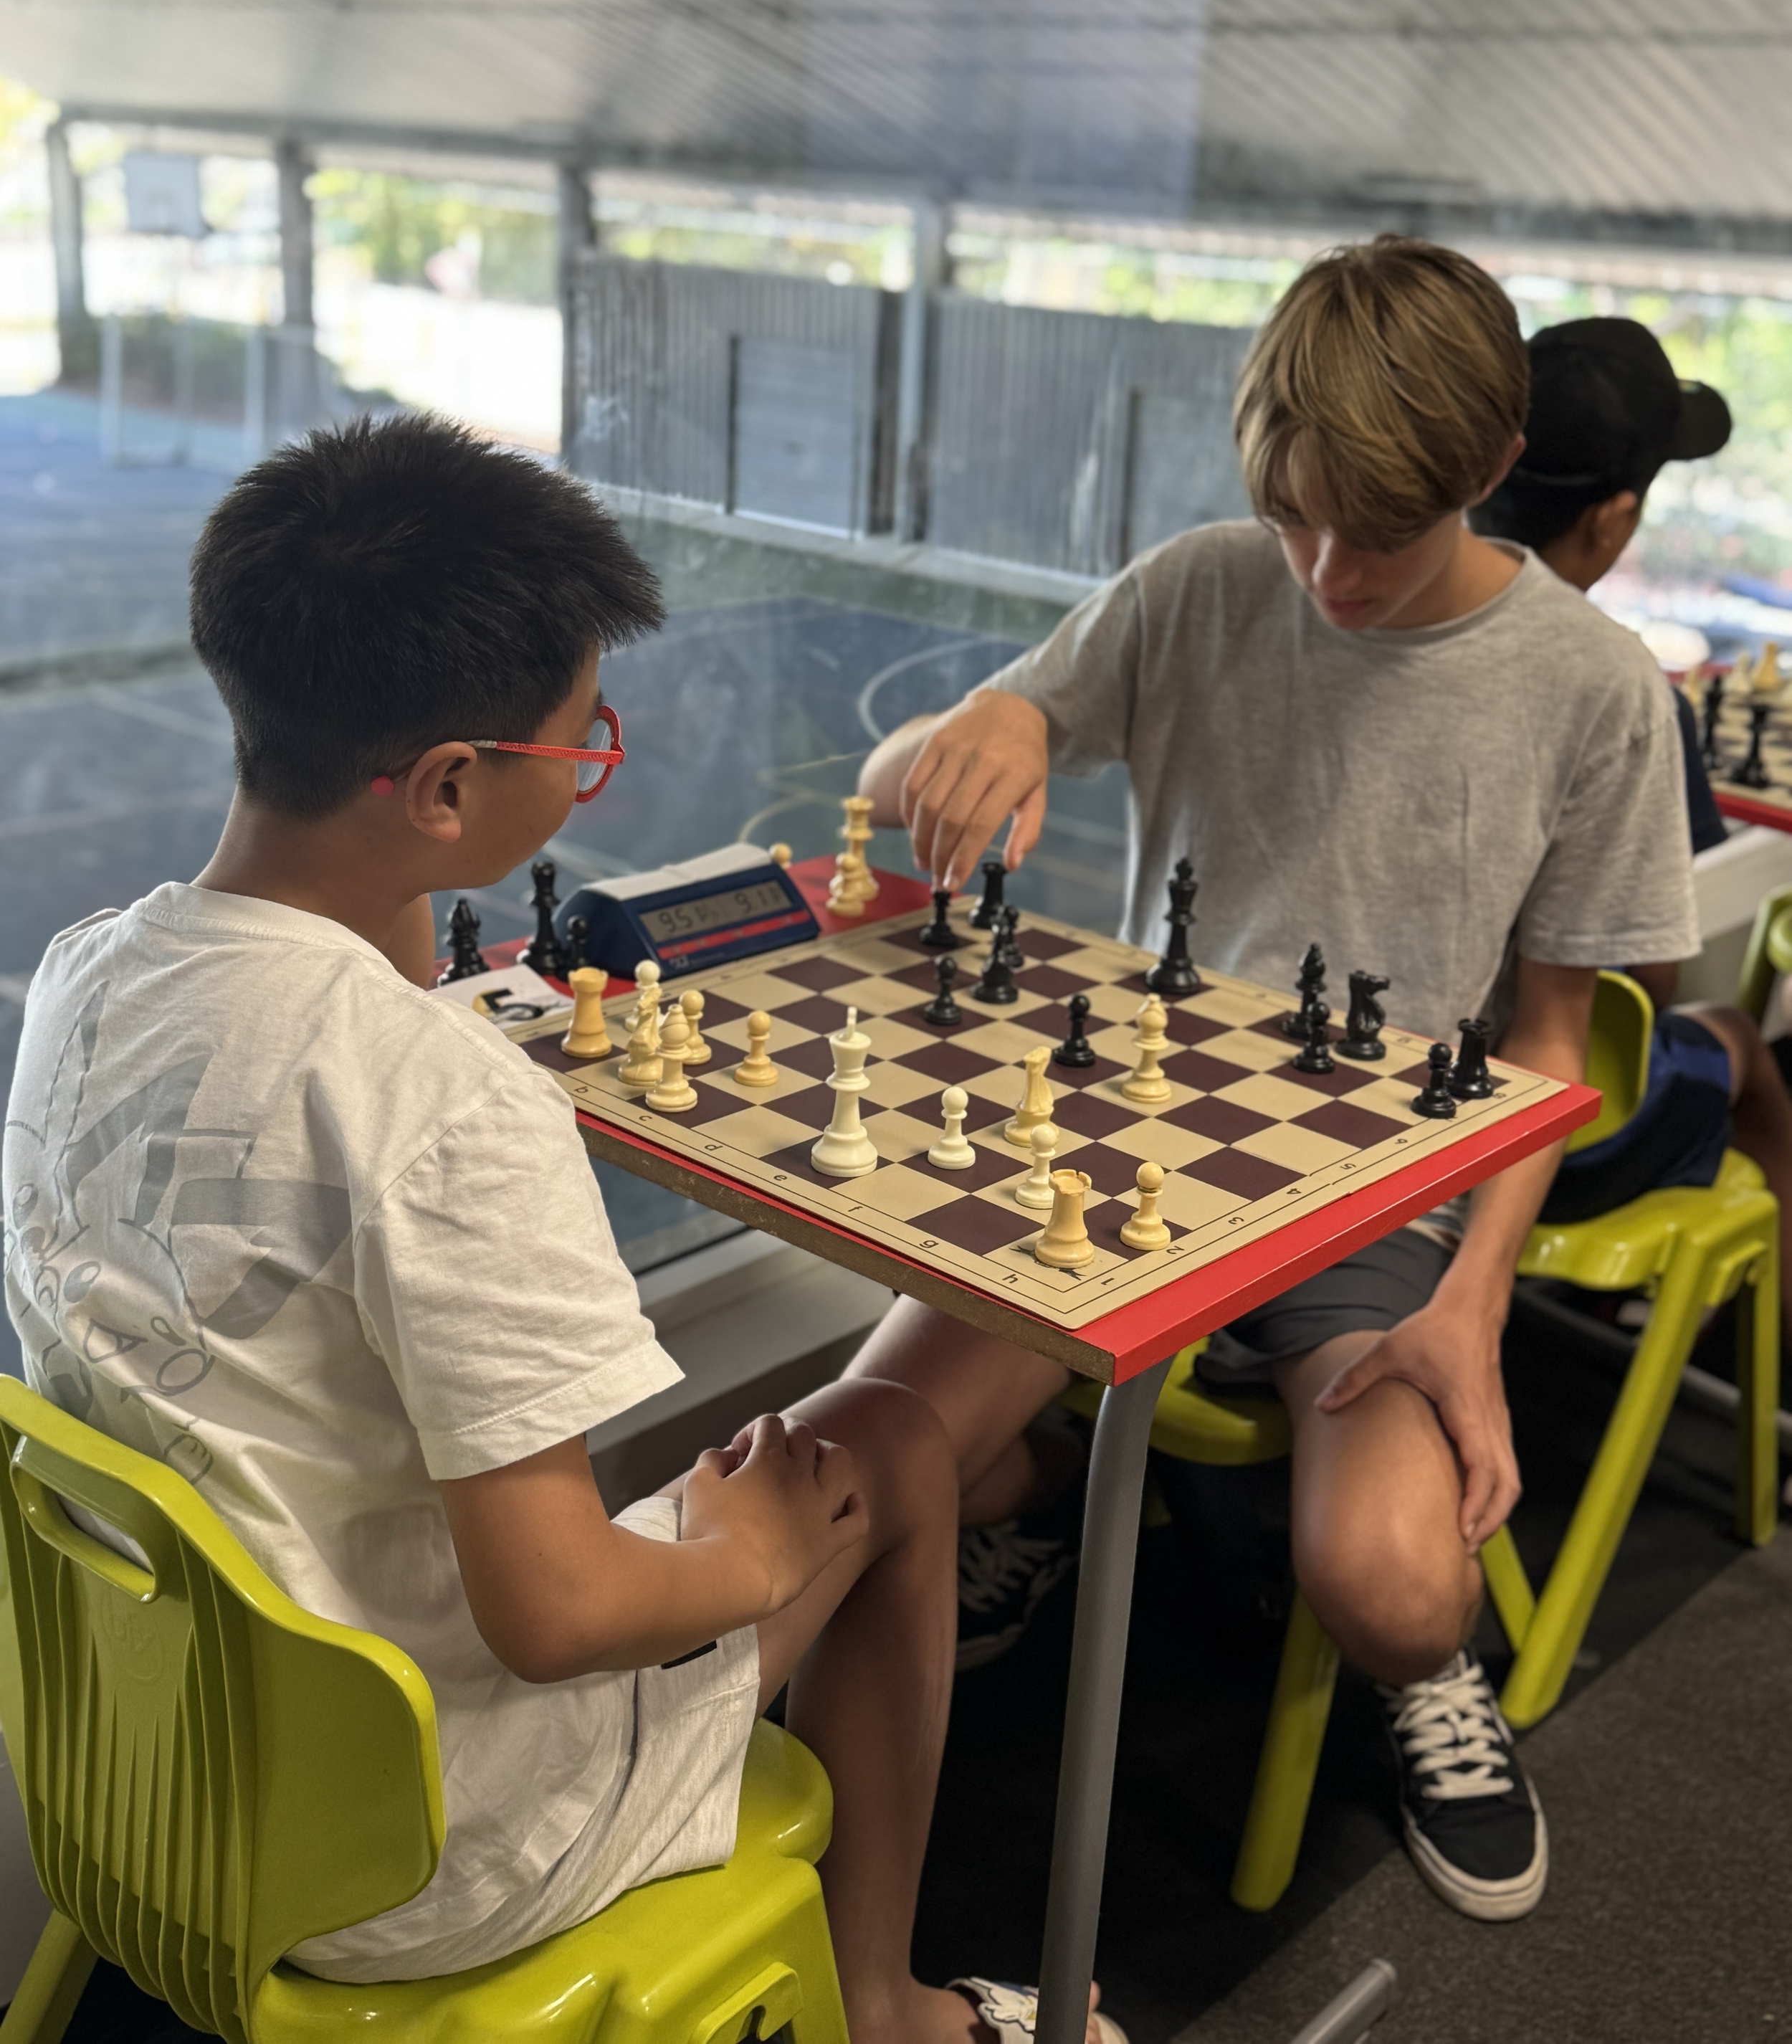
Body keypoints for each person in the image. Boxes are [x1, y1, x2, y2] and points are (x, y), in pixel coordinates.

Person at [1, 416, 1112, 2044]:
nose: (596, 768)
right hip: (436, 1848)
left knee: (824, 1443)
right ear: (448, 785)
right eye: (579, 748)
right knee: (873, 1442)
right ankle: (882, 2006)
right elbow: (557, 1611)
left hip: (158, 1761)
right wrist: (743, 1557)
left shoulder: (87, 972)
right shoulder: (436, 1098)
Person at [849, 237, 1701, 1924]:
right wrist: (989, 726)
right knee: (851, 1465)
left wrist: (1470, 1305)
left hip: (1381, 1193)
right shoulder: (1195, 584)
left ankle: (1178, 1532)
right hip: (1120, 1146)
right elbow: (895, 791)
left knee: (1390, 1591)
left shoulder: (1589, 686)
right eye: (1289, 516)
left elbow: (1552, 1052)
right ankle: (1083, 1484)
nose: (1319, 570)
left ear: (1480, 469)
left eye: (1367, 533)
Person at [1474, 316, 1792, 1328]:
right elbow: (1642, 977)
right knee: (1742, 1038)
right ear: (1611, 522)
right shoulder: (1624, 690)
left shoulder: (1395, 636)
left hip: (1361, 1082)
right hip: (1540, 1126)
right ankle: (1764, 1384)